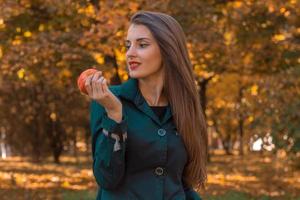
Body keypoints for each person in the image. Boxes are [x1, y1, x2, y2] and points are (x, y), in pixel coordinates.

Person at [85, 10, 208, 200]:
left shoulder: (185, 107)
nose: (129, 54)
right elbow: (106, 179)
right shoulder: (108, 101)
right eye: (128, 45)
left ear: (168, 50)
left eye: (142, 45)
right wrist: (114, 115)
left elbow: (180, 183)